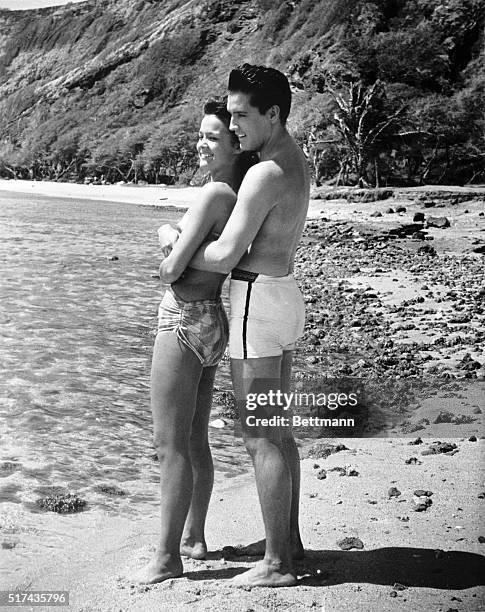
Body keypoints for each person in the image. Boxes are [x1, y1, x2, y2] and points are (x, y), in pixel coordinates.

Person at [189, 64, 310, 587]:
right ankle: (290, 543)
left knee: (260, 435)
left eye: (241, 116)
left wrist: (177, 241)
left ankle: (277, 563)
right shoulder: (294, 158)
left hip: (256, 306)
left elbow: (224, 254)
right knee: (279, 434)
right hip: (283, 295)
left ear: (273, 114)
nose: (233, 126)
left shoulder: (262, 173)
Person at [133, 98, 253, 584]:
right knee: (195, 439)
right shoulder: (234, 193)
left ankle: (166, 558)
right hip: (212, 319)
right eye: (200, 135)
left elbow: (171, 269)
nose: (202, 144)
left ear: (232, 144)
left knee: (169, 445)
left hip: (181, 318)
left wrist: (167, 234)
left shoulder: (211, 196)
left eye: (213, 137)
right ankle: (193, 537)